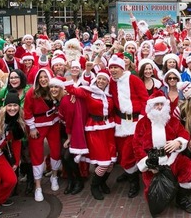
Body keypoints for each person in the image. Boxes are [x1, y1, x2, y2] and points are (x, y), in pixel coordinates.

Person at [132, 90, 191, 214]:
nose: (159, 107)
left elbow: (184, 133)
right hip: (153, 163)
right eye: (156, 104)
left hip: (173, 159)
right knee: (152, 194)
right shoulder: (143, 123)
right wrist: (148, 164)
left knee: (190, 169)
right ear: (150, 106)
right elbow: (136, 145)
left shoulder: (171, 120)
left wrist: (178, 142)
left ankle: (181, 199)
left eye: (161, 104)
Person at [65, 70, 116, 200]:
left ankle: (102, 182)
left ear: (107, 82)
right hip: (94, 130)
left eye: (104, 79)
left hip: (109, 129)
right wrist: (70, 73)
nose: (100, 81)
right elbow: (71, 89)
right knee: (103, 162)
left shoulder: (110, 95)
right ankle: (94, 186)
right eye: (99, 79)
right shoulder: (88, 92)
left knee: (111, 162)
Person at [107, 54, 148, 198]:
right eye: (111, 67)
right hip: (119, 123)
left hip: (135, 123)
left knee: (130, 153)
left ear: (122, 67)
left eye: (115, 67)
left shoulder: (133, 79)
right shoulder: (110, 82)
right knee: (123, 153)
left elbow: (145, 99)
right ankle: (130, 172)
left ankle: (134, 181)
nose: (113, 70)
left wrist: (142, 119)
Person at [23, 68, 61, 202]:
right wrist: (32, 128)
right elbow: (27, 111)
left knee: (56, 150)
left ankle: (54, 176)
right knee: (37, 154)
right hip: (37, 126)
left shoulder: (54, 89)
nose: (43, 79)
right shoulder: (31, 93)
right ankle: (38, 186)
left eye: (46, 77)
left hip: (54, 123)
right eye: (41, 77)